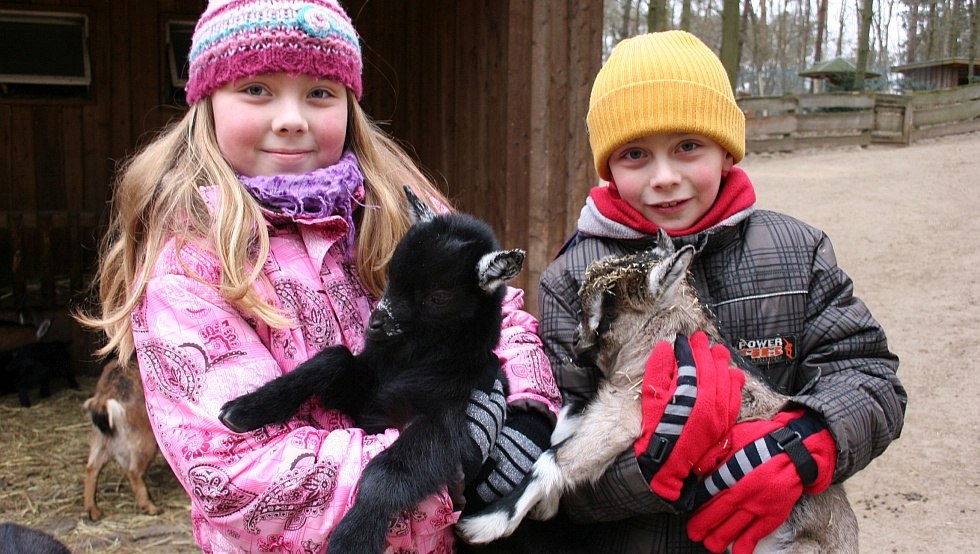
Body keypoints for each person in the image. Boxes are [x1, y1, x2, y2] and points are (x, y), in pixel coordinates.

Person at [78, 1, 560, 551]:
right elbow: (233, 471)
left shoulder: (399, 208)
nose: (292, 118)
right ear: (207, 101)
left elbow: (505, 314)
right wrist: (444, 464)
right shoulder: (189, 263)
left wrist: (524, 416)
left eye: (319, 92)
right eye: (256, 88)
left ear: (350, 104)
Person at [538, 30, 907, 553]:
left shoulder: (796, 251)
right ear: (607, 166)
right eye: (636, 154)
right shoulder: (573, 279)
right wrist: (651, 463)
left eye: (688, 146)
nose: (664, 177)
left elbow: (869, 377)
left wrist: (804, 446)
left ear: (727, 150)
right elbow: (560, 467)